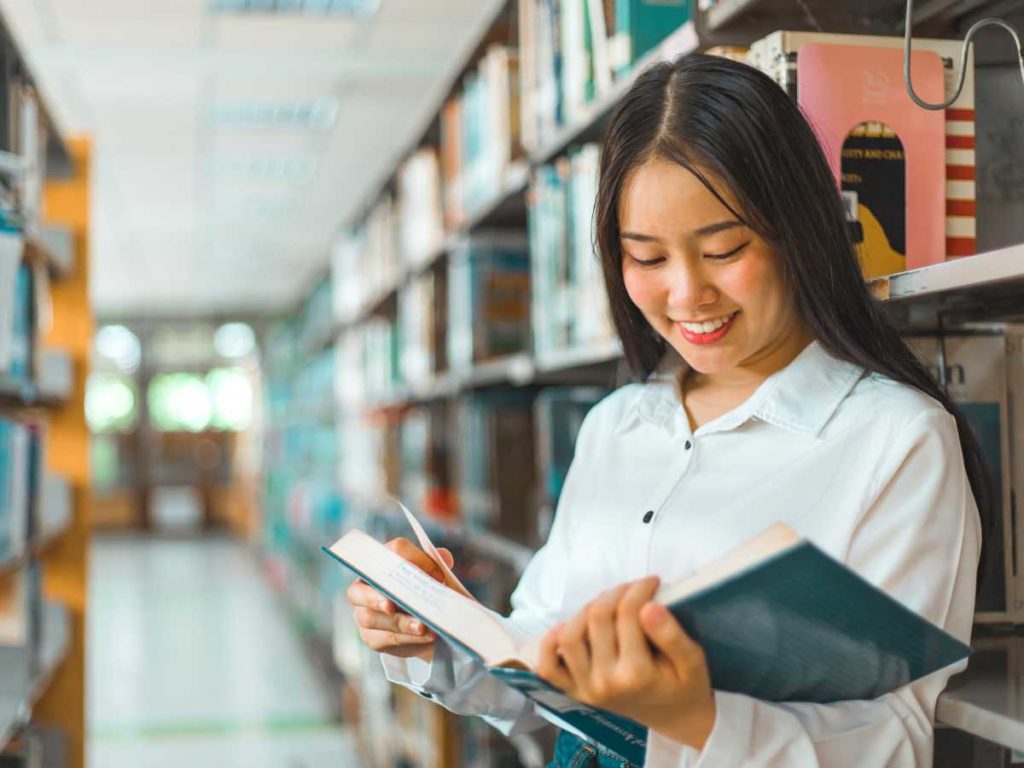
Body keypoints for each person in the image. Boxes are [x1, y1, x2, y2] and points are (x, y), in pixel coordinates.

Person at [345, 54, 989, 768]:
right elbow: (542, 669)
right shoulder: (616, 426)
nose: (687, 295)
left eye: (723, 249)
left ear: (799, 232)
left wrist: (697, 719)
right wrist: (443, 633)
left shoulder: (896, 440)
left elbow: (899, 738)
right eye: (647, 259)